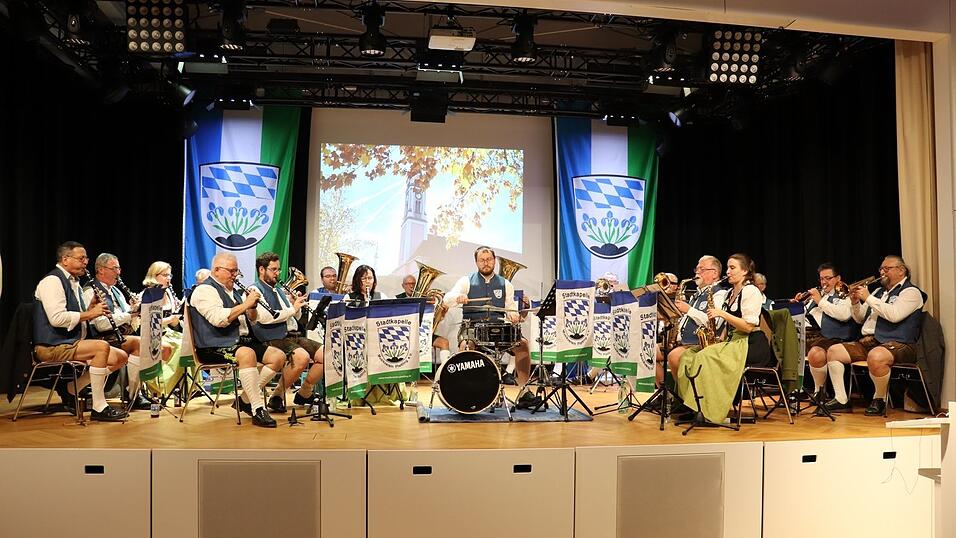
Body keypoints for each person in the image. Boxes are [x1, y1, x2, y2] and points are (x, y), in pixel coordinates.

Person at [188, 252, 286, 427]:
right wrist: (246, 304)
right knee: (247, 354)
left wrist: (252, 308)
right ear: (216, 270)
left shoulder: (233, 291)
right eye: (231, 271)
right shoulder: (204, 290)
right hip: (213, 346)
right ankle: (257, 409)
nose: (235, 275)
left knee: (278, 357)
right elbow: (218, 319)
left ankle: (245, 400)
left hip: (239, 342)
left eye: (236, 271)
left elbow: (252, 319)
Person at [673, 253, 775, 423]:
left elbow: (748, 326)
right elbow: (727, 328)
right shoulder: (730, 293)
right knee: (687, 356)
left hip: (751, 344)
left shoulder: (750, 291)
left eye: (732, 268)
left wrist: (722, 313)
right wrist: (717, 340)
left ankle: (710, 411)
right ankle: (694, 406)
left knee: (705, 358)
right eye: (728, 267)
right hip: (733, 340)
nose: (728, 271)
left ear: (745, 271)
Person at [33, 241, 128, 421]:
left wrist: (91, 309)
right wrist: (90, 313)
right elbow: (57, 319)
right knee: (101, 347)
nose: (85, 262)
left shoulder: (74, 282)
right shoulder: (52, 281)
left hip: (71, 341)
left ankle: (72, 388)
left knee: (121, 357)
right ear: (65, 259)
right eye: (81, 258)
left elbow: (78, 316)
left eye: (86, 258)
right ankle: (99, 407)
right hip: (51, 344)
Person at [826, 255, 925, 416]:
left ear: (901, 270)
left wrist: (868, 298)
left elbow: (894, 315)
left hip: (900, 342)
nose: (882, 272)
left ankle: (879, 399)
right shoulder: (879, 292)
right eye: (881, 269)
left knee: (876, 356)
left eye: (887, 268)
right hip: (872, 340)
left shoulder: (911, 292)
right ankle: (841, 399)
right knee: (833, 352)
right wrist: (855, 302)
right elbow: (859, 319)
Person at [443, 246, 539, 409]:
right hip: (472, 327)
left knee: (522, 345)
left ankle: (524, 391)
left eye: (489, 259)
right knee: (466, 347)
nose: (486, 263)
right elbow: (446, 299)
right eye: (482, 260)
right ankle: (466, 391)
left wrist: (514, 315)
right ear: (476, 262)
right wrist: (457, 298)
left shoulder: (505, 284)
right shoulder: (466, 281)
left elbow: (510, 308)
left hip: (497, 328)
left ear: (494, 261)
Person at [249, 252, 325, 413]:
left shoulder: (277, 290)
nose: (278, 273)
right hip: (271, 337)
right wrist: (292, 309)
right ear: (261, 270)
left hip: (290, 335)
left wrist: (295, 304)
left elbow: (293, 317)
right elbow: (266, 318)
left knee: (327, 355)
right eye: (273, 269)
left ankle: (304, 392)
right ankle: (277, 395)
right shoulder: (254, 290)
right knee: (302, 357)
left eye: (278, 270)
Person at [83, 253, 152, 411]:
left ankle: (134, 392)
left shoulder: (116, 292)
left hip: (117, 335)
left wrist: (136, 309)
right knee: (139, 343)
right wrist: (130, 314)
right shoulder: (90, 291)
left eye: (119, 268)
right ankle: (133, 395)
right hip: (100, 337)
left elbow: (127, 317)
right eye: (114, 268)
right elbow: (101, 325)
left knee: (147, 342)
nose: (119, 272)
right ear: (101, 270)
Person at [794, 263, 857, 412]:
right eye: (822, 279)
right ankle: (813, 392)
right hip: (817, 336)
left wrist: (819, 301)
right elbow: (807, 317)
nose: (824, 282)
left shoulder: (844, 294)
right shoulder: (820, 296)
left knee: (815, 352)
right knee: (795, 346)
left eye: (828, 278)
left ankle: (827, 394)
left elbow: (844, 315)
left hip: (837, 337)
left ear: (838, 278)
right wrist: (798, 305)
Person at [664, 256, 727, 387]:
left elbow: (715, 323)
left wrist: (689, 310)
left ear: (714, 273)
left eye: (702, 269)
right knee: (650, 353)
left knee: (673, 357)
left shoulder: (720, 294)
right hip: (684, 341)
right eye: (697, 268)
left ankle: (683, 398)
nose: (697, 272)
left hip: (701, 343)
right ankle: (669, 394)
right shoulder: (696, 295)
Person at [141, 261, 188, 398]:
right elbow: (147, 322)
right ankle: (164, 387)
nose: (169, 278)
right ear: (155, 276)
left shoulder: (168, 293)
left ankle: (187, 387)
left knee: (188, 344)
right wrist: (169, 320)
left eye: (170, 275)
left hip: (169, 332)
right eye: (165, 275)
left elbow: (174, 320)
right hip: (154, 334)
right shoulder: (148, 294)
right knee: (179, 347)